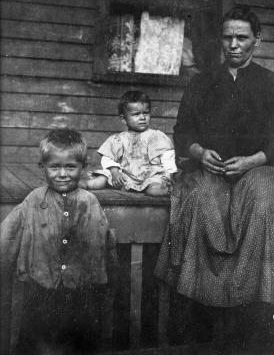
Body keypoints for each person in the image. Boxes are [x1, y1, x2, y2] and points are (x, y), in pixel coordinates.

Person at [154, 6, 274, 351]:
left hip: (258, 167)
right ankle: (204, 309)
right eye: (228, 37)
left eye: (242, 37)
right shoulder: (201, 82)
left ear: (257, 40)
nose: (234, 44)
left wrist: (253, 161)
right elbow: (183, 130)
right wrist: (200, 152)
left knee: (261, 201)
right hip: (211, 169)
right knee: (200, 200)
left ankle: (253, 312)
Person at [0, 129, 118, 355]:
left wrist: (109, 278)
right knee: (37, 343)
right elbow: (7, 237)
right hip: (40, 288)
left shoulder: (90, 202)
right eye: (55, 167)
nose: (62, 174)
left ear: (83, 167)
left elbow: (107, 242)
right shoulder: (33, 200)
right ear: (42, 166)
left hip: (82, 290)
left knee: (80, 342)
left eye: (70, 167)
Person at [80, 91, 177, 196]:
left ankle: (162, 189)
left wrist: (169, 176)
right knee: (104, 177)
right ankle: (88, 184)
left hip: (150, 176)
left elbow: (168, 158)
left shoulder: (157, 137)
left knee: (154, 187)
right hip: (125, 176)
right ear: (123, 118)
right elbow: (109, 158)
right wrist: (115, 173)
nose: (142, 117)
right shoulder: (119, 139)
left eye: (146, 113)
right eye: (136, 114)